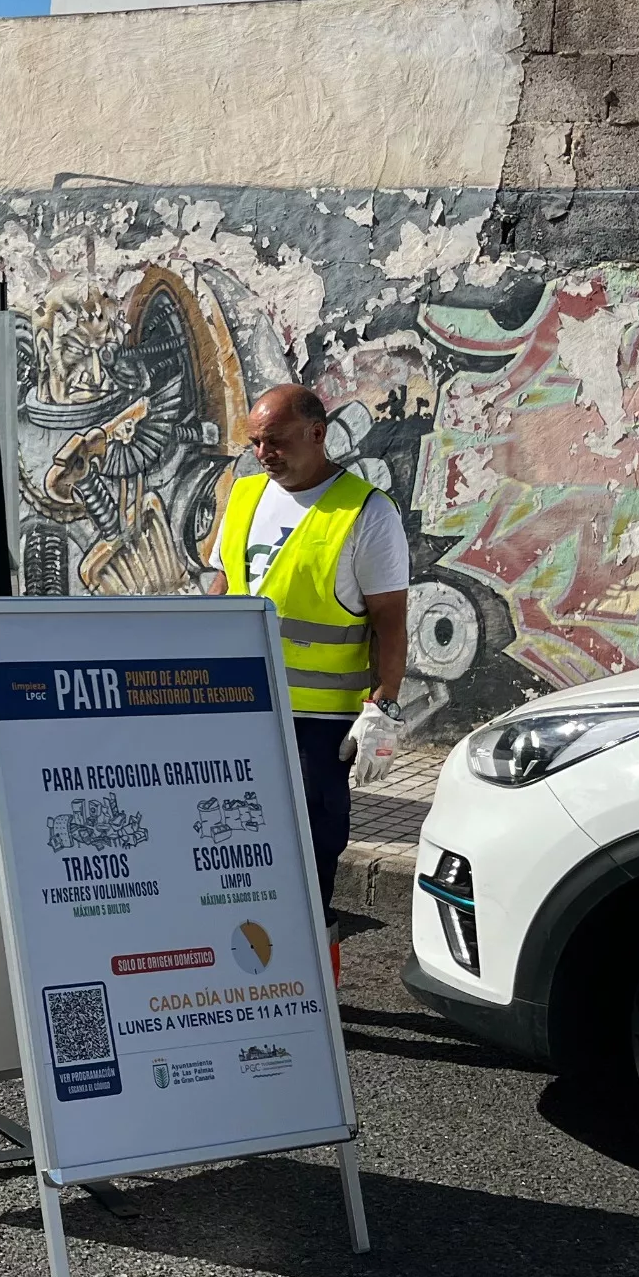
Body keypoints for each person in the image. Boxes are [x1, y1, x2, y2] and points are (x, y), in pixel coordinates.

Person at [205, 384, 409, 971]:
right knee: (237, 847)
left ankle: (312, 987)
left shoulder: (365, 513)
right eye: (255, 442)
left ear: (317, 434)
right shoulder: (244, 496)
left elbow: (390, 623)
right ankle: (248, 973)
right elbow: (224, 588)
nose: (263, 453)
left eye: (276, 440)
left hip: (319, 725)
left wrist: (383, 709)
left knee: (313, 852)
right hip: (240, 709)